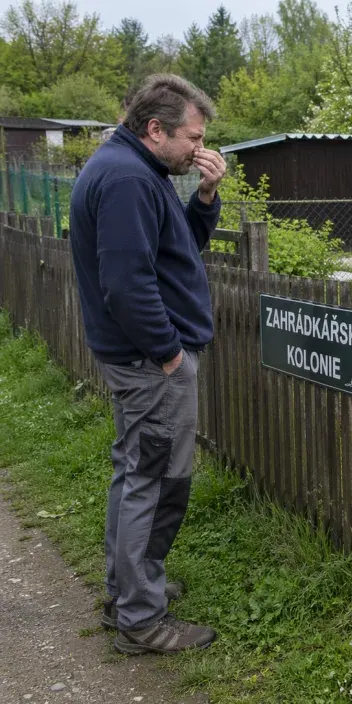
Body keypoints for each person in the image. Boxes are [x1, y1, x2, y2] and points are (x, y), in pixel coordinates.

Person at [68, 74, 226, 655]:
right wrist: (169, 354)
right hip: (150, 362)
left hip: (140, 358)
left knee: (136, 474)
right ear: (156, 129)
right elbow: (127, 284)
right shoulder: (129, 179)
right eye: (194, 138)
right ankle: (141, 620)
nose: (200, 149)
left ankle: (128, 591)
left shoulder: (136, 168)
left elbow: (176, 249)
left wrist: (205, 197)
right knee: (158, 483)